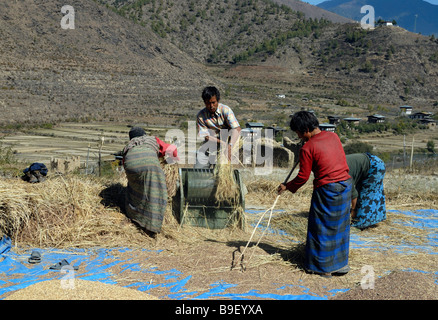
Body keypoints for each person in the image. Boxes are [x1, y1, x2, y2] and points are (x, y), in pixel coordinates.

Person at [277, 111, 352, 278]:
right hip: (346, 186)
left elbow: (303, 177)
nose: (297, 136)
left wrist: (287, 186)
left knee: (320, 228)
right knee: (340, 226)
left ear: (305, 130)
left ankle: (321, 267)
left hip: (328, 190)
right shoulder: (333, 137)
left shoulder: (307, 148)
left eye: (297, 133)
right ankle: (340, 265)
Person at [122, 127, 179, 236]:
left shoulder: (128, 146)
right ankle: (150, 228)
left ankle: (135, 219)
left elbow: (125, 164)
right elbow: (172, 149)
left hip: (131, 165)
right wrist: (170, 160)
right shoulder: (153, 140)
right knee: (157, 193)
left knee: (134, 191)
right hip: (150, 165)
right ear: (144, 134)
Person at [195, 86, 241, 168]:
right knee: (198, 168)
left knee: (222, 168)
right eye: (208, 103)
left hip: (229, 141)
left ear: (218, 101)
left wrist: (229, 146)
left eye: (213, 102)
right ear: (204, 102)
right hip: (212, 143)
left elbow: (237, 129)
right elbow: (206, 137)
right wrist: (222, 143)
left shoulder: (226, 110)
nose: (211, 106)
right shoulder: (201, 116)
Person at [346, 153, 386, 229]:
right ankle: (373, 219)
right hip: (372, 162)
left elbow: (353, 194)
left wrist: (353, 210)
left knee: (366, 195)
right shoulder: (336, 166)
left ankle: (361, 223)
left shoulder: (343, 174)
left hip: (375, 166)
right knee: (368, 193)